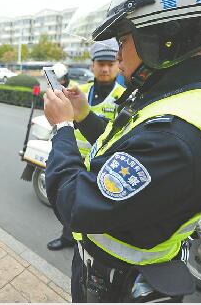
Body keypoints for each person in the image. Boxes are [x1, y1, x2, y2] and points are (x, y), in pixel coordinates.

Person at [43, 0, 201, 301]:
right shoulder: (184, 99)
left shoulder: (175, 137)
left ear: (161, 37)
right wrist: (83, 116)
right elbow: (126, 149)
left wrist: (61, 126)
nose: (117, 57)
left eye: (122, 42)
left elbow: (75, 204)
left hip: (121, 284)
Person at [46, 40, 126, 252]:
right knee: (69, 206)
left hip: (102, 165)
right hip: (74, 158)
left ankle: (87, 246)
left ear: (118, 65)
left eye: (110, 63)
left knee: (91, 211)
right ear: (92, 65)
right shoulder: (78, 91)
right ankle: (67, 238)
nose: (105, 68)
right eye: (100, 63)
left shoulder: (124, 98)